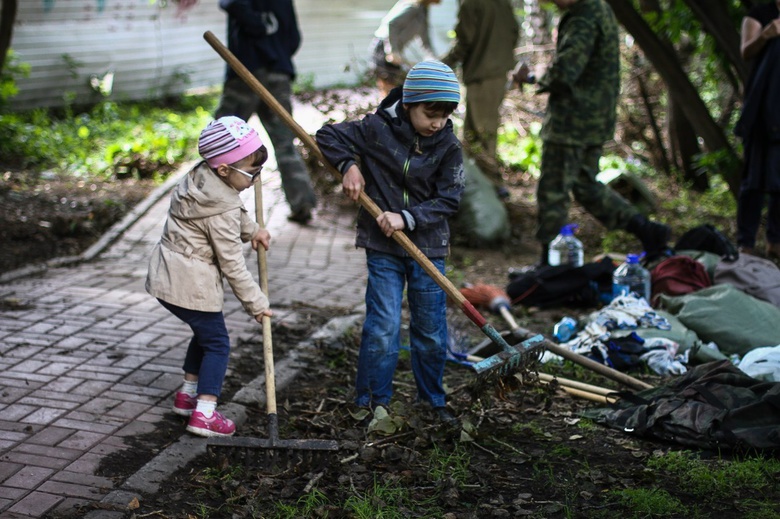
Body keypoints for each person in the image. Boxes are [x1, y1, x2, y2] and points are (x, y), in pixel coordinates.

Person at [315, 60, 464, 427]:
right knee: (382, 326)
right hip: (383, 248)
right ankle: (371, 401)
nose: (438, 123)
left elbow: (449, 199)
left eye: (445, 115)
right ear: (410, 104)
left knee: (429, 330)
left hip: (428, 247)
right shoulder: (376, 129)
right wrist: (349, 165)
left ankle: (432, 399)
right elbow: (327, 136)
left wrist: (407, 218)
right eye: (431, 113)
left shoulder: (448, 145)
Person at [511, 0, 670, 265]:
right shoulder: (599, 8)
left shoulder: (584, 16)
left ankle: (550, 267)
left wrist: (533, 75)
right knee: (586, 186)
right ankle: (648, 230)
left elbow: (565, 72)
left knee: (553, 191)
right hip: (593, 119)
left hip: (572, 122)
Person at [146, 116, 273, 438]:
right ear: (224, 170)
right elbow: (232, 265)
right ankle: (204, 413)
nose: (256, 179)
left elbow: (230, 209)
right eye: (252, 172)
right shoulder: (222, 209)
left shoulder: (200, 180)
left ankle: (187, 396)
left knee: (204, 334)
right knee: (217, 343)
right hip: (191, 282)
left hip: (168, 274)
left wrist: (253, 231)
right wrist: (257, 303)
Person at [215, 0, 317, 225]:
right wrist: (275, 51)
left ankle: (208, 205)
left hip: (246, 71)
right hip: (278, 72)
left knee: (220, 141)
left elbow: (231, 3)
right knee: (284, 142)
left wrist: (258, 31)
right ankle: (302, 204)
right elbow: (293, 37)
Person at [441, 0, 519, 161]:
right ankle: (482, 178)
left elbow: (464, 41)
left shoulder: (471, 3)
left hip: (481, 74)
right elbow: (514, 32)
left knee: (480, 134)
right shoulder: (502, 3)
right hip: (498, 73)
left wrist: (441, 64)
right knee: (481, 132)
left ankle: (490, 181)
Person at [735, 0, 780, 263]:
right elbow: (745, 51)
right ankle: (746, 244)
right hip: (762, 112)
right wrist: (766, 34)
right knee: (753, 181)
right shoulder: (760, 15)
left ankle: (775, 242)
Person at [370, 0, 442, 97]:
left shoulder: (423, 11)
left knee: (394, 87)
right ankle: (385, 109)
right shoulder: (412, 7)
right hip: (383, 47)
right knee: (389, 86)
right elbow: (391, 24)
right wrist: (392, 51)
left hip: (394, 50)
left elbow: (425, 41)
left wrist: (434, 60)